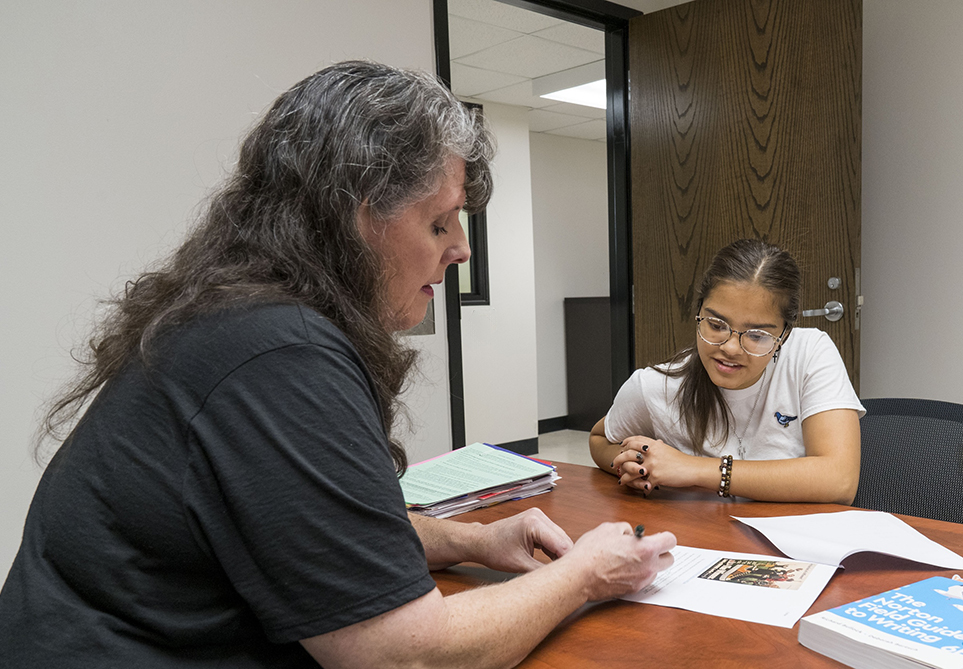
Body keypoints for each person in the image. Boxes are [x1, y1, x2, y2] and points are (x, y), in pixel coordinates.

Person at [0, 61, 676, 669]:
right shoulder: (278, 353)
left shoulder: (240, 316)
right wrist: (585, 573)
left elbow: (323, 525)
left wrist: (475, 539)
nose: (462, 249)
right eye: (440, 223)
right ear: (361, 218)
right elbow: (404, 656)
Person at [590, 238, 864, 504]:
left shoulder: (810, 352)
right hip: (705, 539)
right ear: (698, 312)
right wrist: (635, 465)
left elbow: (839, 480)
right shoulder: (657, 386)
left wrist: (695, 469)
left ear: (784, 334)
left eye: (756, 335)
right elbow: (600, 439)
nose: (731, 348)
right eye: (717, 325)